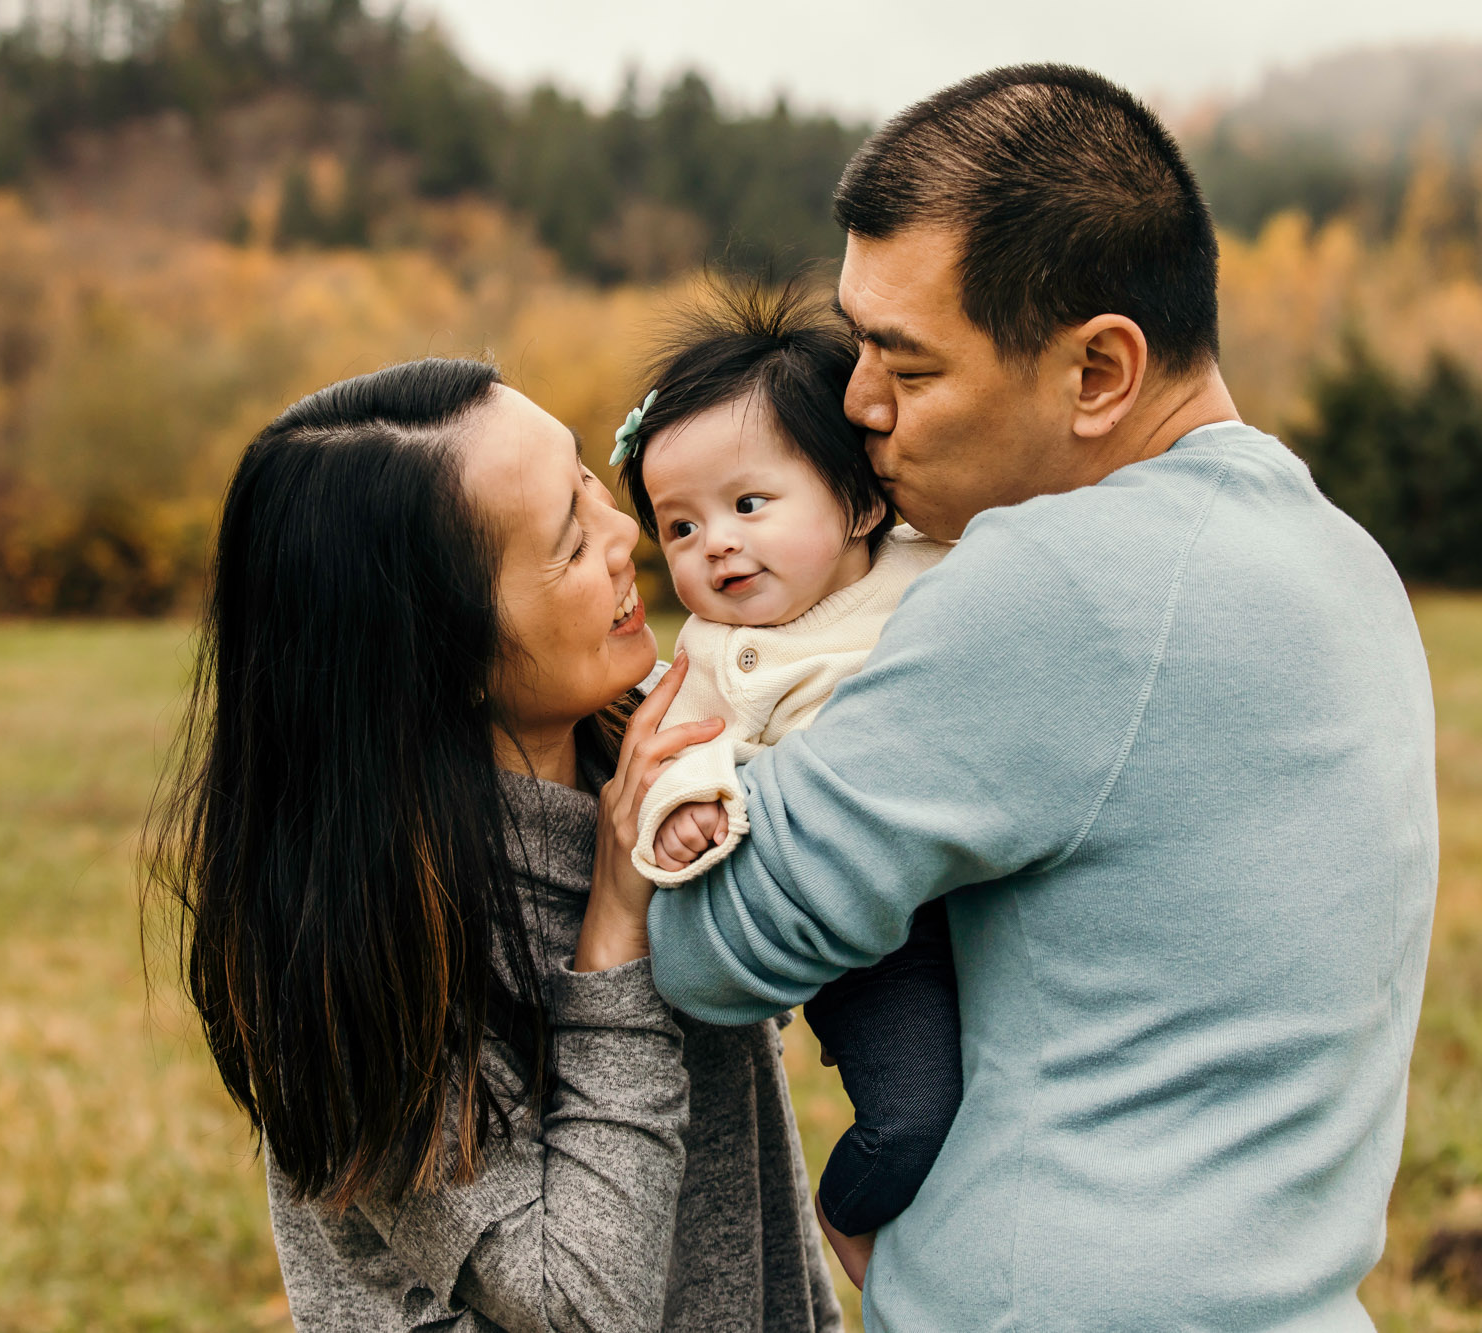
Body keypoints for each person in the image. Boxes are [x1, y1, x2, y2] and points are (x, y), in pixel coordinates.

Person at [605, 65, 1440, 1331]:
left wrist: (688, 781)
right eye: (856, 339)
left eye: (908, 365)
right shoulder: (1340, 559)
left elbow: (722, 947)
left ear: (1099, 369)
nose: (855, 403)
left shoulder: (1058, 577)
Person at [147, 358, 842, 1332]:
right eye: (566, 542)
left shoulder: (649, 753)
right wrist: (613, 942)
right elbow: (581, 1306)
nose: (626, 535)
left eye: (589, 481)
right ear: (445, 658)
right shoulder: (355, 949)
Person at [609, 280, 963, 1280]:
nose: (714, 543)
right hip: (868, 945)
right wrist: (685, 815)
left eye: (748, 504)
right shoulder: (716, 657)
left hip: (974, 886)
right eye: (677, 528)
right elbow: (682, 752)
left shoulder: (935, 566)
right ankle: (848, 1210)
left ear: (855, 499)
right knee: (911, 1115)